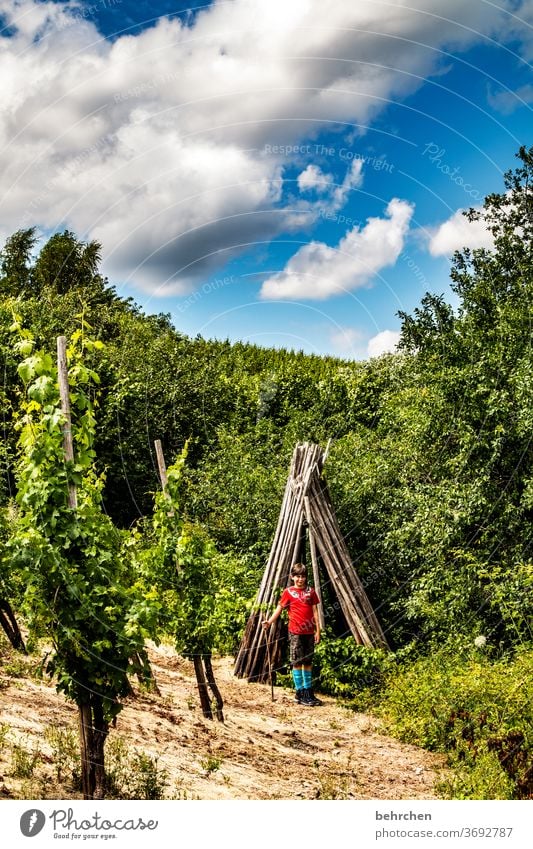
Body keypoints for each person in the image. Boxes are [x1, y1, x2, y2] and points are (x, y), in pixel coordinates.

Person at [263, 563, 322, 706]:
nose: (300, 579)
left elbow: (315, 612)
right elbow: (279, 608)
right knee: (297, 662)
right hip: (296, 633)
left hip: (309, 633)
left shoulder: (311, 592)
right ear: (292, 577)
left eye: (303, 576)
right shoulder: (288, 592)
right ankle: (299, 692)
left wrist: (318, 630)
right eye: (297, 576)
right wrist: (269, 622)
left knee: (307, 662)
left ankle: (308, 691)